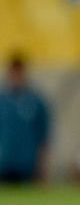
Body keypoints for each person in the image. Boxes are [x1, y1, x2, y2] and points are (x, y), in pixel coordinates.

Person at [0, 55, 51, 184]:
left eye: (19, 71)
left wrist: (43, 167)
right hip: (4, 162)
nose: (16, 75)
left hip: (27, 165)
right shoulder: (3, 100)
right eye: (13, 71)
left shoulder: (36, 101)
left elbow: (43, 136)